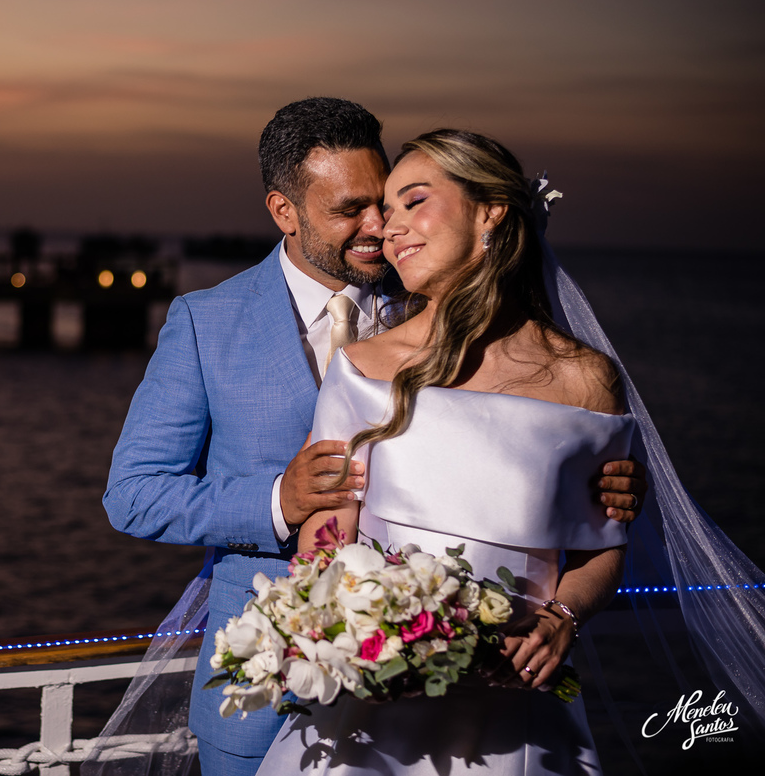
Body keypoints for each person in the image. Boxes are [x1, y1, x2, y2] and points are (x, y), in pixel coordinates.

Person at [99, 99, 645, 776]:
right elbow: (133, 494)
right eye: (350, 210)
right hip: (270, 683)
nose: (379, 227)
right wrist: (279, 500)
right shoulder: (205, 322)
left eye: (385, 202)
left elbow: (523, 449)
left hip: (493, 690)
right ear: (285, 211)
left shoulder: (429, 285)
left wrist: (601, 482)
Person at [256, 129, 765, 774]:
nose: (388, 228)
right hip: (375, 703)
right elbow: (328, 535)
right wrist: (341, 637)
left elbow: (602, 548)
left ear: (491, 212)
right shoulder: (361, 369)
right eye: (387, 210)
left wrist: (563, 618)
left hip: (515, 707)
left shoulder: (584, 381)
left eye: (415, 201)